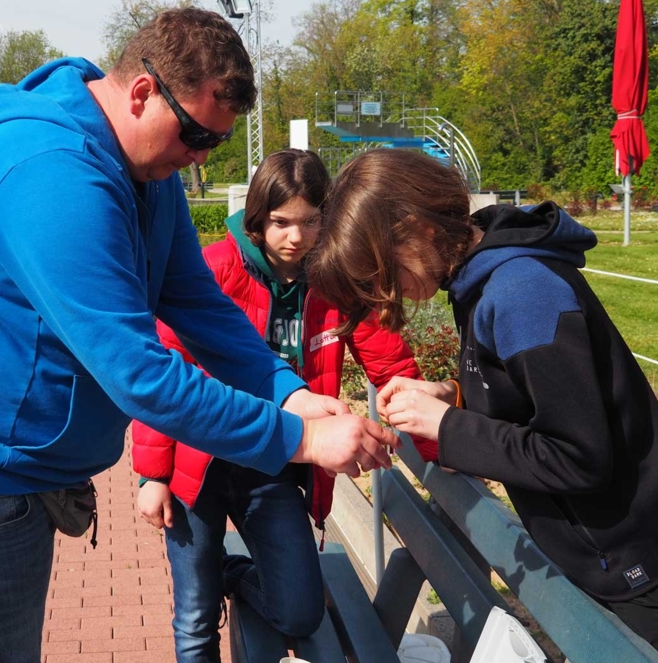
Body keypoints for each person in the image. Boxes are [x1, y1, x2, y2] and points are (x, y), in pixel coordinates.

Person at [0, 8, 400, 663]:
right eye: (195, 132)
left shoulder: (145, 170)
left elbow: (198, 302)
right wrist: (305, 438)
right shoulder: (53, 173)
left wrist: (286, 391)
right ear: (142, 92)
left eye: (215, 144)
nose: (198, 156)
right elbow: (141, 375)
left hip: (3, 478)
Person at [308, 148, 658, 663]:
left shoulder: (524, 290)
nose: (386, 291)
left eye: (381, 272)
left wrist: (451, 427)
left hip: (651, 569)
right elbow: (530, 400)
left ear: (416, 227)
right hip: (606, 561)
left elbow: (578, 454)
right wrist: (453, 395)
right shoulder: (479, 279)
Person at [132, 150, 438, 661]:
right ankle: (213, 580)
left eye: (311, 221)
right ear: (258, 218)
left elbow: (392, 364)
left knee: (299, 610)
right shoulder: (215, 269)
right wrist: (152, 475)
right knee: (194, 616)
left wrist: (436, 444)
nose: (296, 237)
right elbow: (162, 372)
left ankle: (234, 574)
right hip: (197, 464)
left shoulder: (334, 279)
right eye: (280, 222)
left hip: (277, 459)